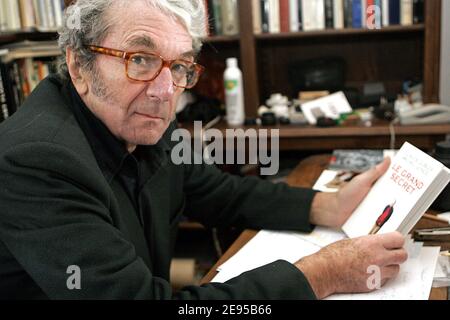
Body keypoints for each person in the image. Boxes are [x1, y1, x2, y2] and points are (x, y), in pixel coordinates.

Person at [0, 0, 407, 300]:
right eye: (139, 59)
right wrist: (319, 276)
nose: (165, 92)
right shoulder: (36, 159)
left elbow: (216, 192)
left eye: (179, 67)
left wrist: (326, 206)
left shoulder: (142, 115)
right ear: (78, 65)